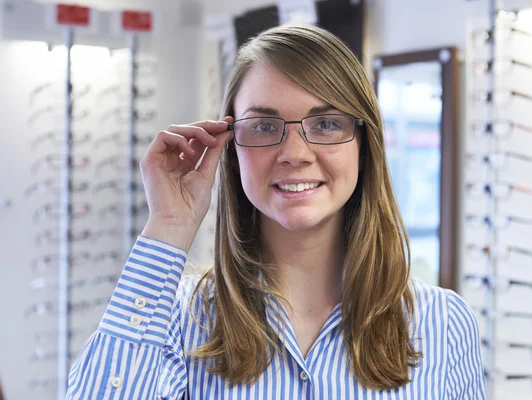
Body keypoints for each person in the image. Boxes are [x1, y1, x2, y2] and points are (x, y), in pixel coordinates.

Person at [66, 24, 485, 399]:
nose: (296, 154)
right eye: (264, 127)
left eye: (325, 124)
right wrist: (168, 228)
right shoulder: (176, 320)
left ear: (364, 145)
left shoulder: (443, 324)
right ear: (230, 153)